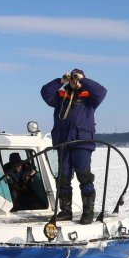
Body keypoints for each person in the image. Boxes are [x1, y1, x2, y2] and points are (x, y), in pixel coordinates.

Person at [40, 68, 107, 224]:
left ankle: (88, 212)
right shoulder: (61, 97)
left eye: (77, 78)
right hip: (63, 142)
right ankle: (66, 211)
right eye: (73, 78)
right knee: (63, 178)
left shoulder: (89, 98)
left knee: (84, 176)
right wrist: (60, 81)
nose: (74, 81)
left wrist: (82, 81)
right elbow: (45, 93)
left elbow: (101, 92)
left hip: (81, 142)